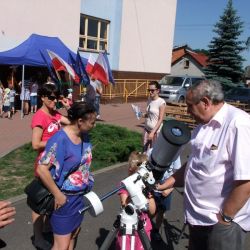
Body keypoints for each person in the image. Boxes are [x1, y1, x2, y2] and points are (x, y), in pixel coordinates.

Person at [156, 80, 250, 250]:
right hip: (197, 219)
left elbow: (246, 181)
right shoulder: (202, 125)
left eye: (190, 106)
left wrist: (225, 218)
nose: (187, 111)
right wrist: (166, 183)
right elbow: (194, 164)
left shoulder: (238, 124)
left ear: (206, 102)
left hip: (220, 223)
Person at [37, 101, 96, 250]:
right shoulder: (60, 139)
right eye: (92, 122)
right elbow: (42, 169)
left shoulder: (85, 136)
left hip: (79, 196)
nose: (94, 126)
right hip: (64, 199)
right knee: (61, 246)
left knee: (74, 234)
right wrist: (58, 195)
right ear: (80, 121)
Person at [31, 83, 70, 250]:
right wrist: (55, 142)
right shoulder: (40, 117)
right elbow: (35, 144)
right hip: (44, 165)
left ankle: (47, 228)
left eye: (57, 97)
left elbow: (72, 124)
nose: (55, 101)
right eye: (52, 98)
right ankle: (38, 237)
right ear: (42, 98)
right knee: (39, 201)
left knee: (51, 197)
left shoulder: (55, 114)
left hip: (57, 165)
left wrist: (68, 107)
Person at [116, 151, 156, 250]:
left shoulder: (147, 188)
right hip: (128, 227)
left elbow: (152, 211)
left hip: (143, 227)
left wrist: (149, 196)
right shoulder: (125, 185)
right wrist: (134, 191)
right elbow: (124, 203)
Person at [151, 156, 182, 242]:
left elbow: (177, 174)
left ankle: (156, 230)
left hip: (167, 187)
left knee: (161, 211)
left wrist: (170, 188)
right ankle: (145, 227)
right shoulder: (152, 151)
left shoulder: (176, 155)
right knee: (150, 210)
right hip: (152, 186)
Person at [143, 81, 166, 153]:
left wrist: (153, 132)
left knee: (153, 152)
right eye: (149, 90)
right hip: (146, 130)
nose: (150, 92)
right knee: (145, 151)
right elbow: (149, 114)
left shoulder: (161, 102)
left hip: (155, 132)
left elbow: (160, 119)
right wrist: (143, 114)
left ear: (158, 90)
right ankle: (145, 164)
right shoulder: (149, 99)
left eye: (152, 90)